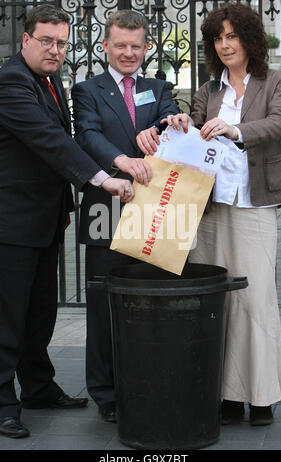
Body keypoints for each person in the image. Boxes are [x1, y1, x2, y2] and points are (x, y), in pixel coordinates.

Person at [0, 5, 134, 439]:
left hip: (44, 218)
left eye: (61, 42)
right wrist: (102, 178)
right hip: (11, 223)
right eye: (47, 41)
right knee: (7, 316)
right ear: (26, 40)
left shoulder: (50, 79)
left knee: (39, 313)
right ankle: (4, 403)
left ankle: (38, 387)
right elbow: (50, 140)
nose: (55, 49)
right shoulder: (11, 82)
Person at [166, 3, 281, 426]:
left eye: (232, 36)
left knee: (255, 302)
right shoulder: (208, 90)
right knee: (218, 303)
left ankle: (260, 396)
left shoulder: (276, 82)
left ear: (250, 39)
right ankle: (227, 396)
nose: (225, 44)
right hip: (212, 208)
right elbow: (194, 129)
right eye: (218, 38)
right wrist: (181, 122)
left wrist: (236, 130)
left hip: (254, 205)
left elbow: (279, 123)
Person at [71, 9, 180, 423]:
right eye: (120, 45)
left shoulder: (159, 87)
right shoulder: (88, 89)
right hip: (107, 206)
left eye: (136, 46)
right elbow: (88, 135)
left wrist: (176, 121)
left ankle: (152, 381)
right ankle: (106, 394)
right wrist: (122, 161)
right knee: (104, 306)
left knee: (154, 303)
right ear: (105, 46)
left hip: (156, 209)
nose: (128, 53)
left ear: (147, 47)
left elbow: (171, 119)